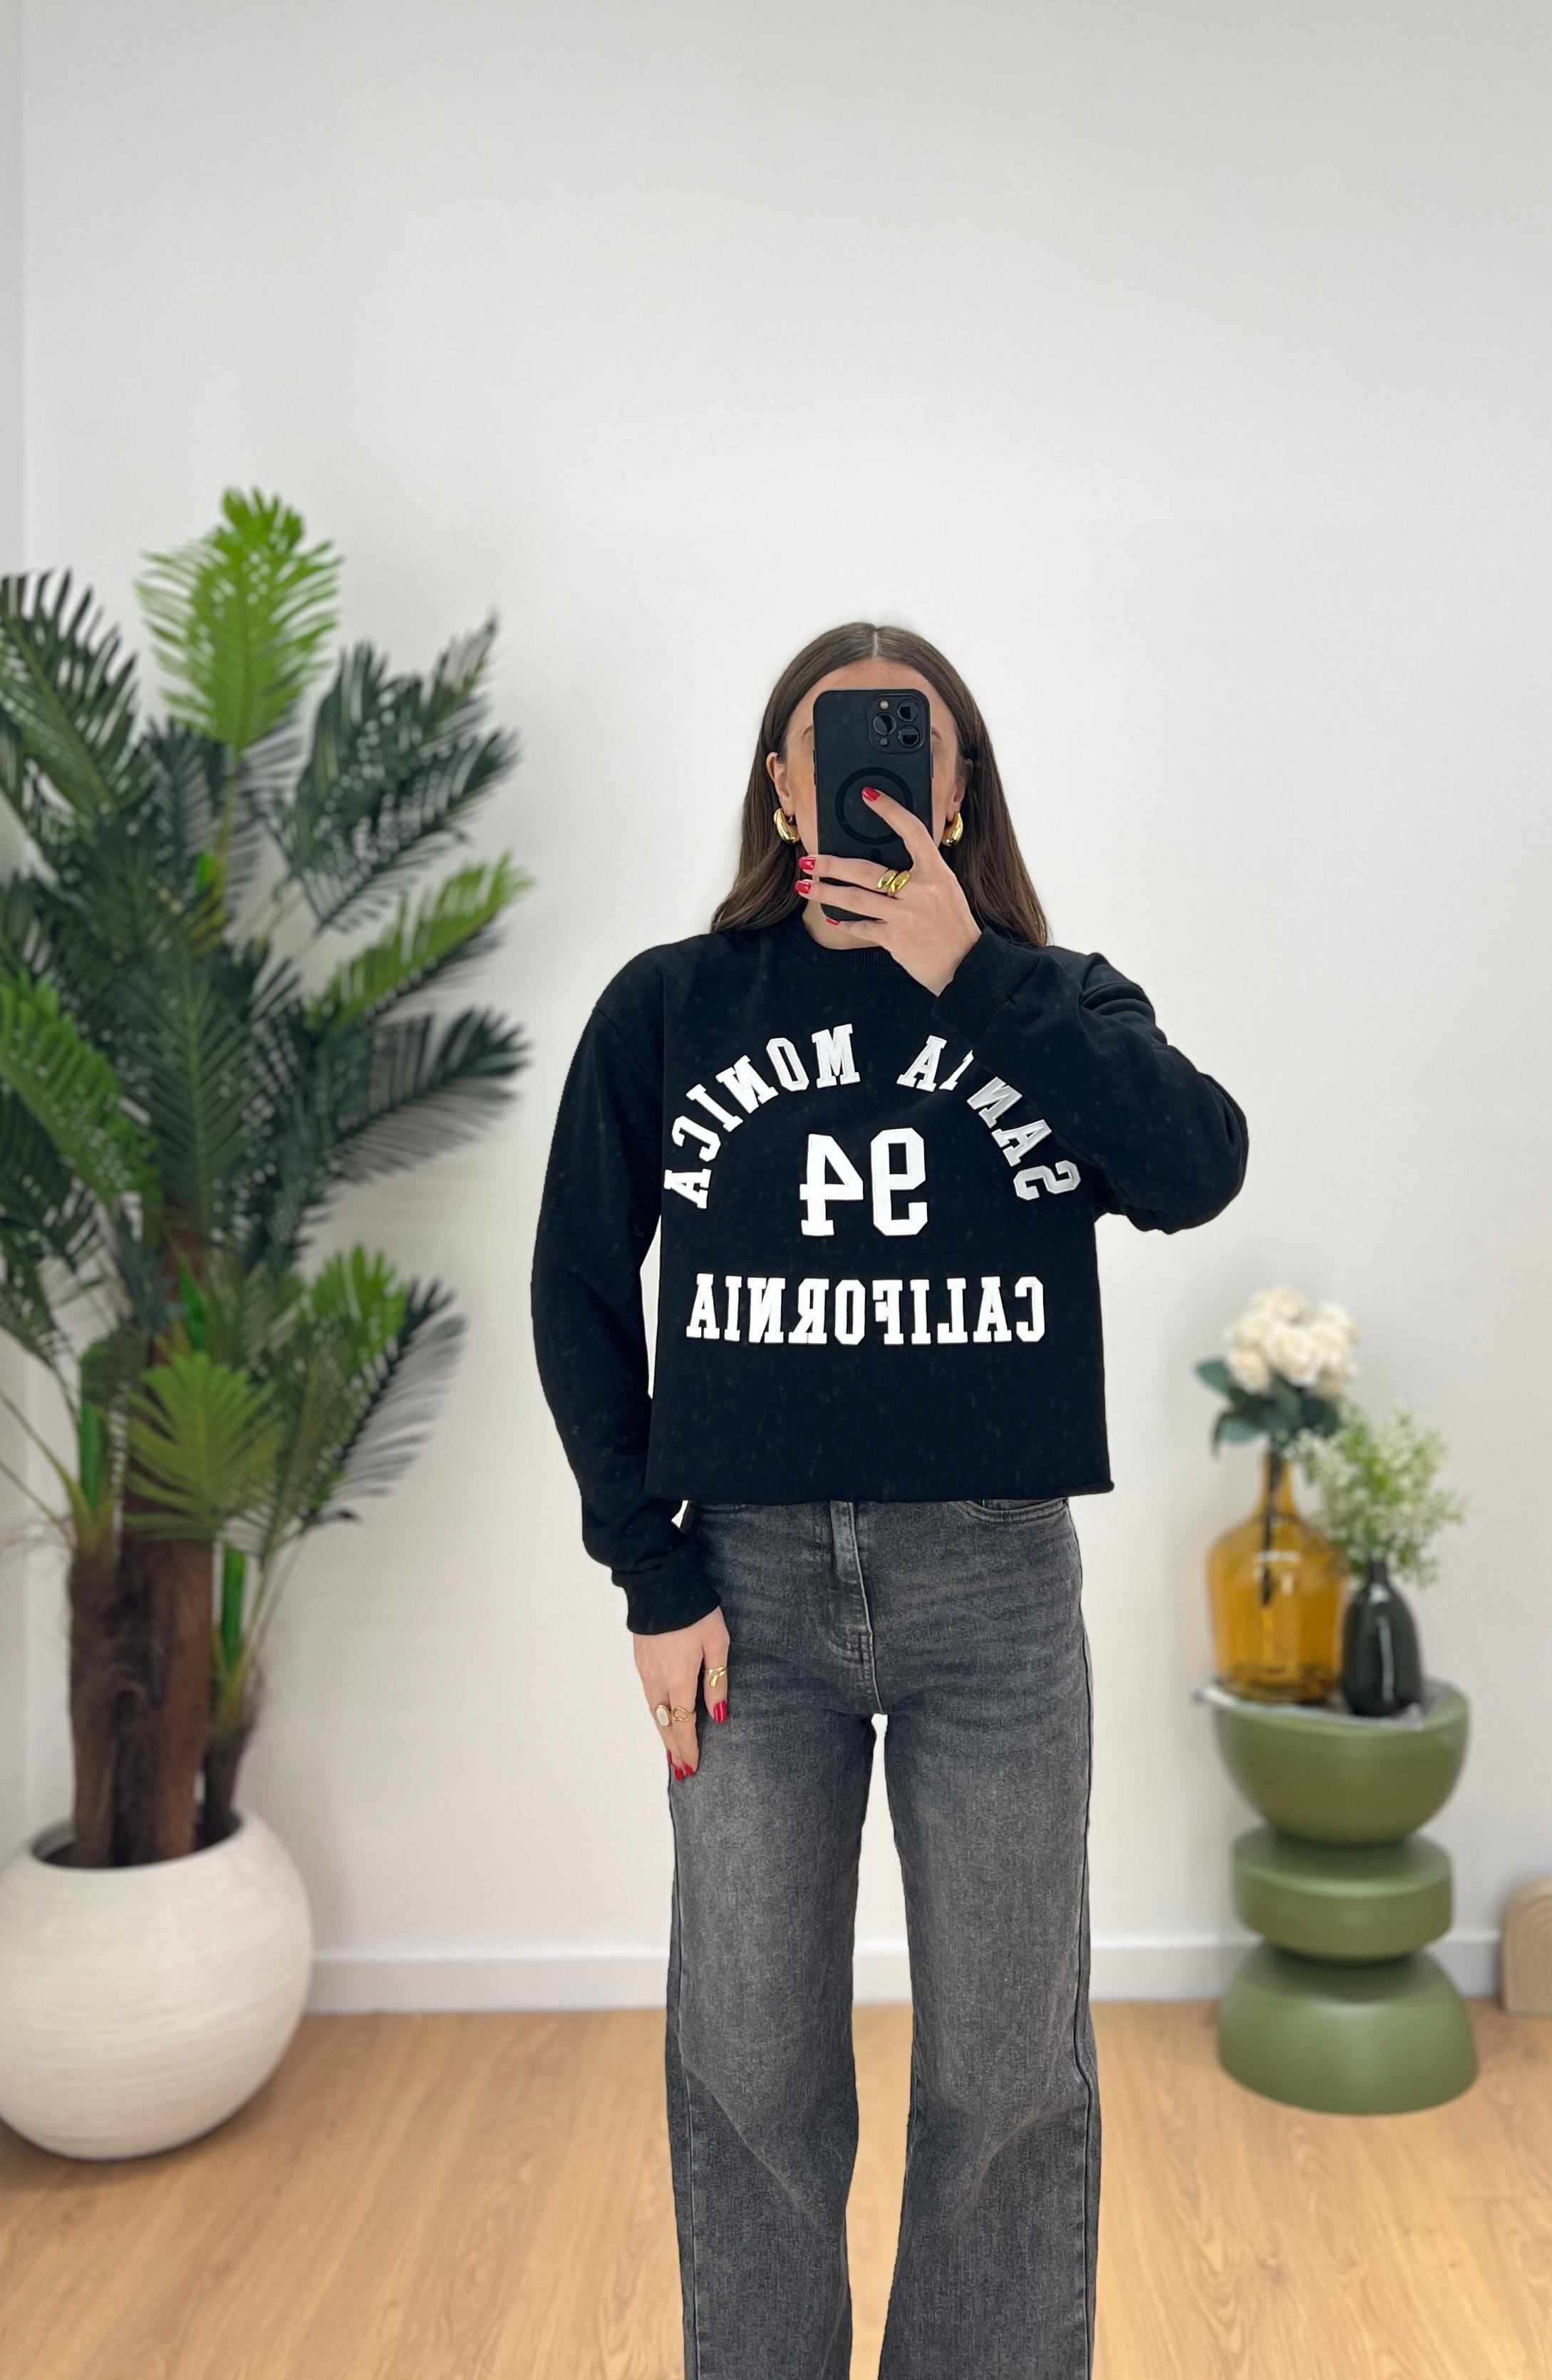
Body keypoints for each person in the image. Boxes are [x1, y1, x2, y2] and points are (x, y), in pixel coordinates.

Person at [529, 620, 1248, 2380]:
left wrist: (974, 973)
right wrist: (648, 1570)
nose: (866, 770)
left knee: (1005, 2071)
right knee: (748, 2060)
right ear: (781, 786)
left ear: (956, 787)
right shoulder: (669, 1004)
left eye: (909, 743)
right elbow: (577, 1284)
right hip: (744, 1599)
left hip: (991, 1593)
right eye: (830, 741)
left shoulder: (1053, 1000)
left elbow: (1194, 1165)